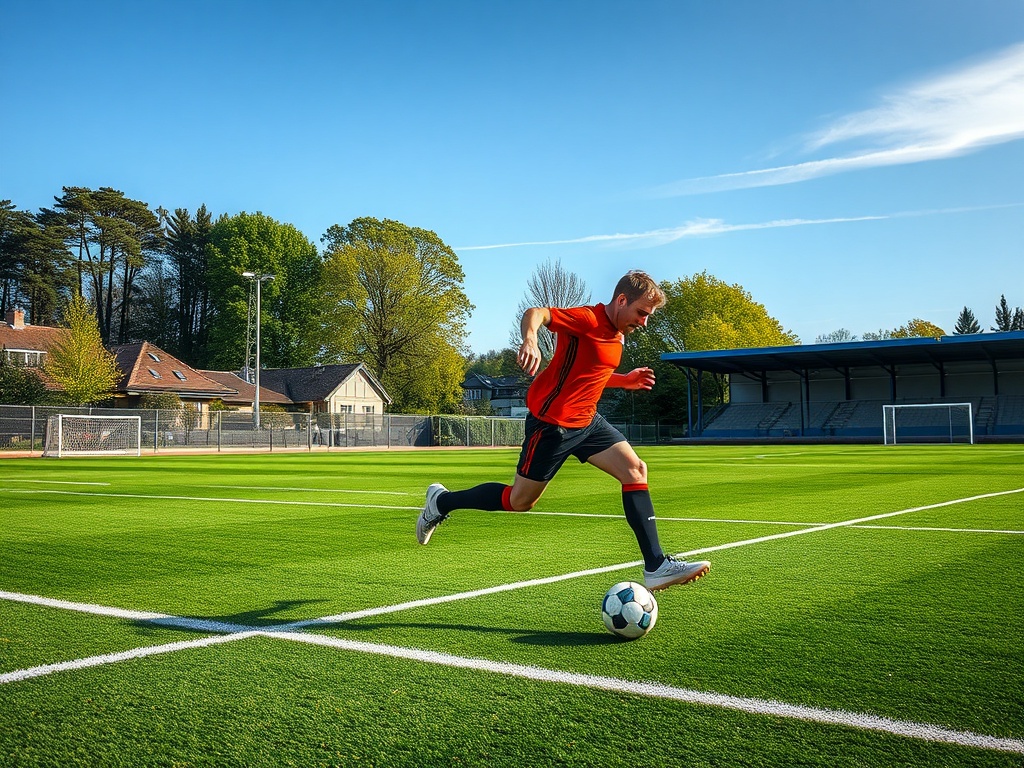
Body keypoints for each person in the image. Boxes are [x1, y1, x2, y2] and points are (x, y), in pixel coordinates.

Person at [416, 270, 710, 591]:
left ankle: (655, 565)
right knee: (519, 501)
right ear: (621, 300)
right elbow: (536, 313)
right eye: (641, 313)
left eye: (648, 316)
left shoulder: (619, 333)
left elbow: (590, 372)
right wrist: (530, 340)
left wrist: (624, 380)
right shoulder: (587, 319)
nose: (644, 322)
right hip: (552, 425)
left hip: (588, 422)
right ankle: (441, 502)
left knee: (636, 470)